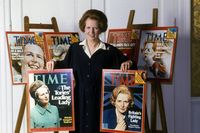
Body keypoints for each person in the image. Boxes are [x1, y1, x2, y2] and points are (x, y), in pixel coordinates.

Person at [47, 9, 136, 133]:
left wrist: (128, 62)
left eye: (95, 28)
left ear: (101, 28)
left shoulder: (109, 51)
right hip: (79, 102)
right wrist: (53, 62)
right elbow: (63, 66)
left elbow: (130, 64)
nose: (91, 32)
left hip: (99, 103)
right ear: (83, 27)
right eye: (88, 27)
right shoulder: (75, 49)